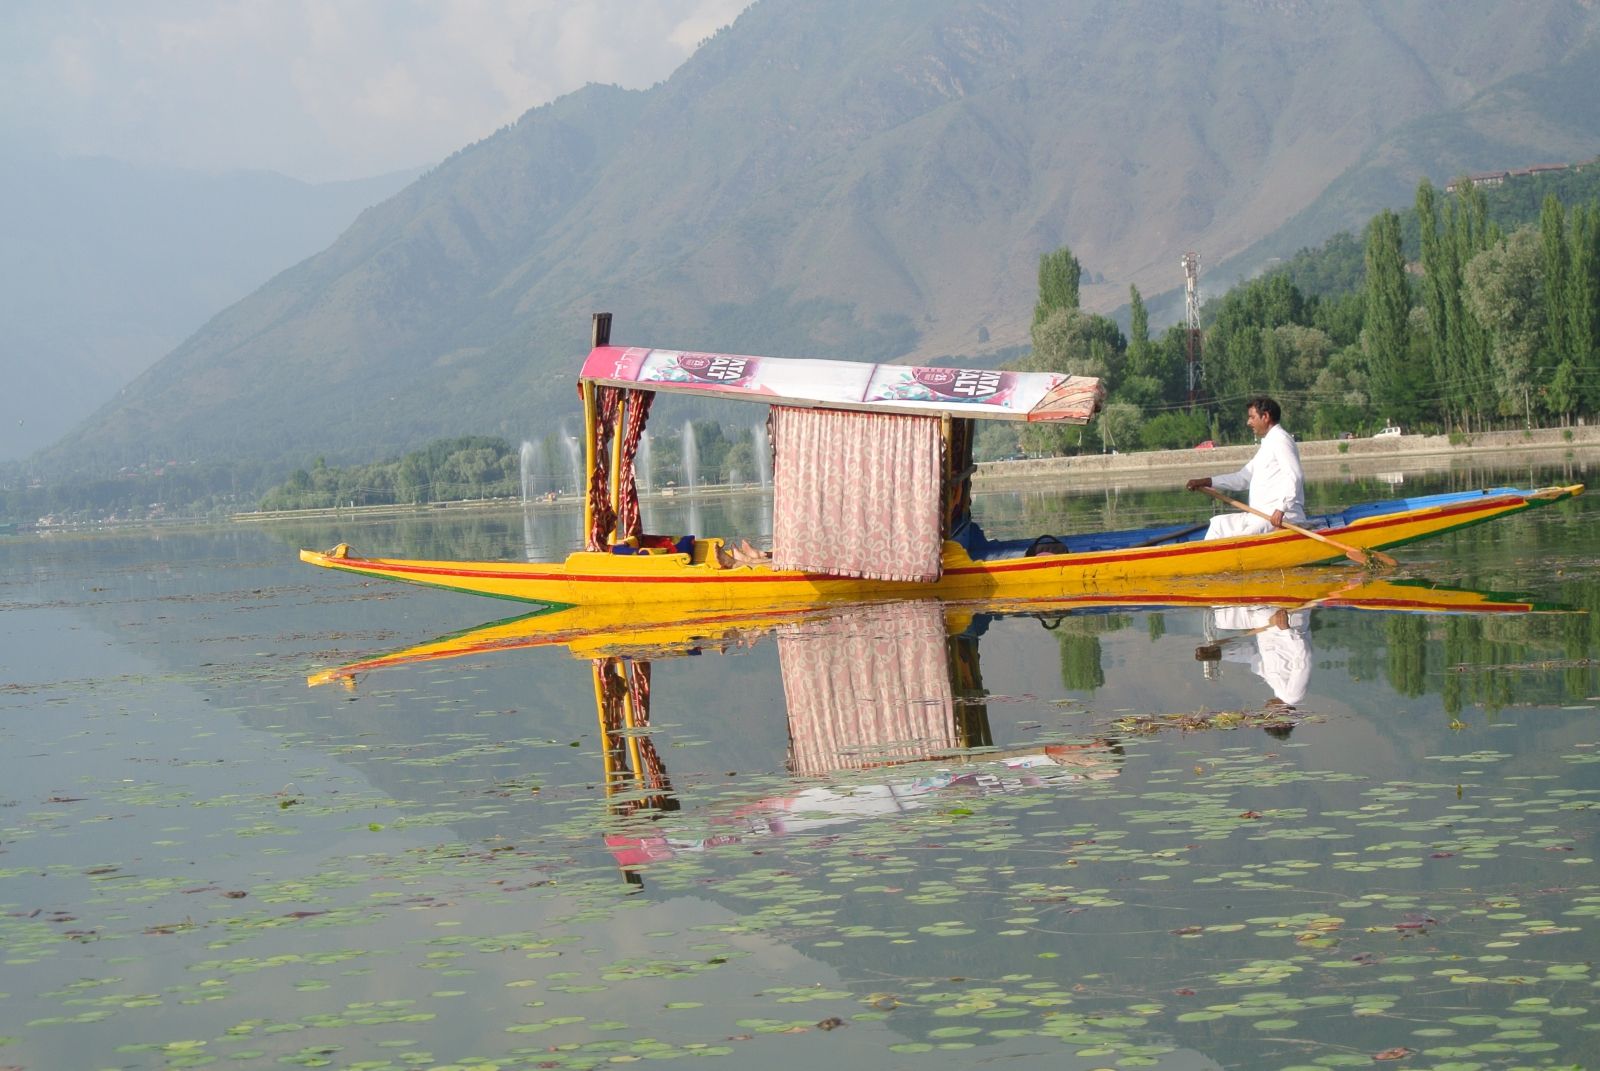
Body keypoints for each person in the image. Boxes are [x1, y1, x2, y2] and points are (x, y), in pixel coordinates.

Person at [1184, 396, 1304, 539]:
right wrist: (1205, 482)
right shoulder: (1268, 444)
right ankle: (1205, 559)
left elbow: (1295, 476)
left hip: (1282, 518)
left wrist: (1281, 509)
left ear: (1265, 416)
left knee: (1245, 536)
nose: (1248, 422)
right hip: (1259, 515)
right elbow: (1242, 479)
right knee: (1219, 523)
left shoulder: (1281, 440)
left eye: (1252, 417)